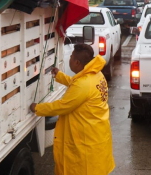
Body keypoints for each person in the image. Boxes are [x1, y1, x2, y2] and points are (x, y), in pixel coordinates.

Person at [30, 43, 115, 175]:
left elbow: (62, 106)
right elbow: (77, 87)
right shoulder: (96, 75)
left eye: (71, 57)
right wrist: (60, 76)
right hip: (97, 137)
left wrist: (37, 108)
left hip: (86, 142)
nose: (69, 58)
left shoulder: (83, 84)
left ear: (76, 62)